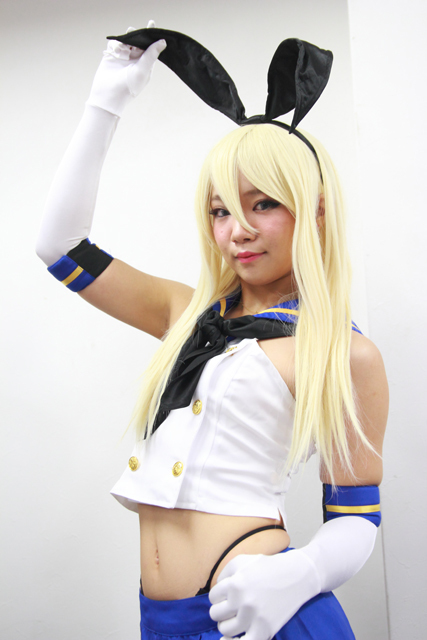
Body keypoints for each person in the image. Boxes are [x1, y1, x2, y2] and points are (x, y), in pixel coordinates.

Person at [36, 23, 388, 640]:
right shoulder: (187, 314)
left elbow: (357, 516)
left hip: (261, 617)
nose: (237, 230)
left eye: (263, 203)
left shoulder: (343, 352)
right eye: (221, 210)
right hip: (160, 620)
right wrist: (105, 102)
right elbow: (60, 248)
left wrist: (301, 573)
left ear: (315, 211)